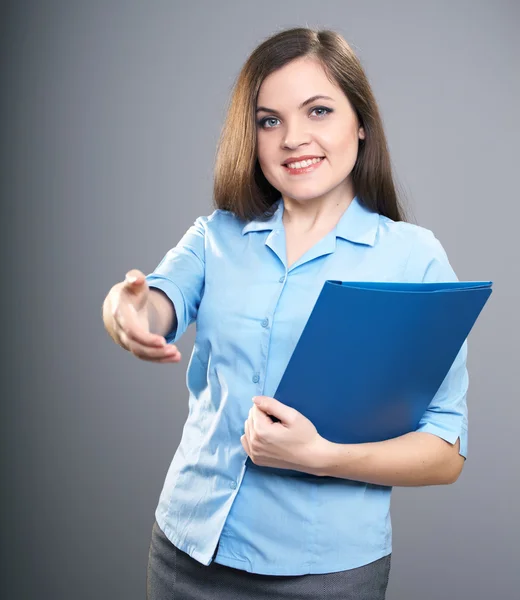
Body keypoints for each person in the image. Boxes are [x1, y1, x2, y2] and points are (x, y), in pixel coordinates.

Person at [102, 27, 468, 600]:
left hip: (323, 576)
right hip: (185, 551)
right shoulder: (215, 236)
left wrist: (323, 457)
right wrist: (123, 311)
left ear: (361, 122)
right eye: (269, 120)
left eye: (318, 110)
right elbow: (153, 302)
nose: (293, 138)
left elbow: (445, 450)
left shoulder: (413, 258)